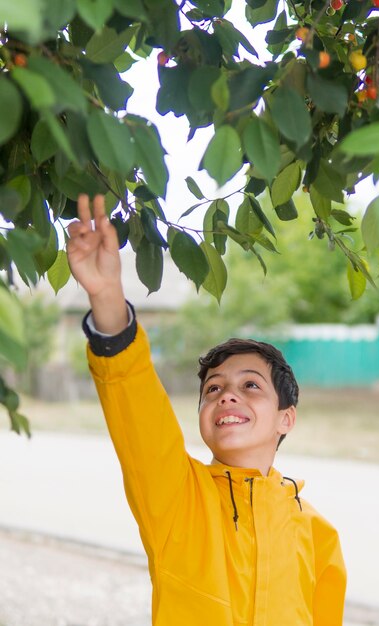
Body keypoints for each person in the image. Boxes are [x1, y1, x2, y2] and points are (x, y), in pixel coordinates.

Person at [67, 194, 347, 626]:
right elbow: (139, 413)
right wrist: (107, 298)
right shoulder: (177, 497)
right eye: (213, 389)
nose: (226, 396)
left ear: (285, 418)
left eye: (250, 386)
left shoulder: (316, 531)